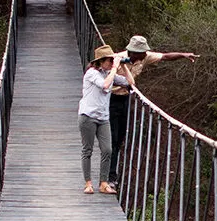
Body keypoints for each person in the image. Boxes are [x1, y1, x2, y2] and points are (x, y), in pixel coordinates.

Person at [108, 35, 199, 187]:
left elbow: (165, 56)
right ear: (133, 52)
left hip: (124, 99)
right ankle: (110, 176)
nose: (145, 55)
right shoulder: (116, 59)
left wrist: (183, 55)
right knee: (112, 138)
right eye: (142, 52)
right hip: (109, 99)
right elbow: (97, 71)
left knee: (119, 138)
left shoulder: (143, 57)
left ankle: (111, 174)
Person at [78, 44, 134, 195]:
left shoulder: (108, 72)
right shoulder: (92, 73)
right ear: (100, 61)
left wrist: (123, 65)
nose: (111, 63)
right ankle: (88, 183)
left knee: (108, 150)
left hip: (103, 118)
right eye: (109, 60)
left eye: (112, 60)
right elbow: (105, 85)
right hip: (88, 117)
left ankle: (103, 183)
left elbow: (130, 83)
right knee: (87, 150)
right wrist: (115, 68)